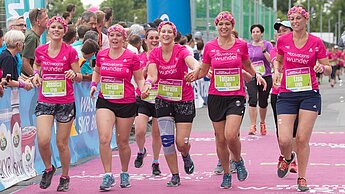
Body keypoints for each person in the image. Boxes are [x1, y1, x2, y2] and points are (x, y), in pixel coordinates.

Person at [185, 11, 266, 189]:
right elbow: (204, 70)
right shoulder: (210, 47)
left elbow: (247, 65)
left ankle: (238, 160)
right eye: (221, 24)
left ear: (232, 26)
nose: (224, 27)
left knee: (231, 135)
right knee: (220, 138)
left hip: (235, 96)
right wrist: (194, 76)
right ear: (217, 26)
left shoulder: (241, 45)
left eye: (227, 24)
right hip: (216, 96)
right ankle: (227, 173)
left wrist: (257, 75)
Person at [273, 6, 331, 192]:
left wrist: (323, 69)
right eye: (293, 19)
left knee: (302, 138)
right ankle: (287, 157)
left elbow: (328, 67)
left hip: (309, 94)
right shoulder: (283, 40)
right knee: (284, 140)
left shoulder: (316, 42)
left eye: (299, 18)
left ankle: (302, 177)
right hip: (287, 94)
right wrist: (276, 71)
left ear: (306, 20)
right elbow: (279, 60)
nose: (296, 21)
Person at [141, 21, 200, 187]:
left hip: (184, 100)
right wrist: (147, 85)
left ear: (174, 35)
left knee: (181, 142)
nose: (165, 35)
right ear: (159, 35)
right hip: (164, 100)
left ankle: (185, 155)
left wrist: (196, 69)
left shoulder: (181, 50)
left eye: (169, 32)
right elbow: (152, 75)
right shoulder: (154, 54)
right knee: (167, 140)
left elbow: (192, 63)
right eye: (163, 32)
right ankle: (175, 175)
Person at [89, 24, 145, 191]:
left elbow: (139, 79)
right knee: (104, 138)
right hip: (105, 100)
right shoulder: (101, 54)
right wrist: (94, 84)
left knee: (122, 142)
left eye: (118, 36)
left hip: (126, 102)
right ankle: (107, 175)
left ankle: (124, 172)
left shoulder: (131, 57)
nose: (114, 38)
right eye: (112, 35)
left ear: (123, 39)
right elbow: (97, 71)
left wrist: (144, 89)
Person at [32, 16, 82, 192]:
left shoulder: (70, 52)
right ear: (48, 28)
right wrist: (36, 74)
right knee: (43, 139)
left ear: (64, 31)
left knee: (61, 143)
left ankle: (65, 176)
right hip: (45, 100)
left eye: (59, 28)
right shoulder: (40, 50)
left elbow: (79, 75)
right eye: (53, 27)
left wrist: (72, 75)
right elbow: (36, 66)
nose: (56, 30)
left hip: (65, 102)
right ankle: (48, 168)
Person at [270, 20, 298, 173]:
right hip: (279, 94)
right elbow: (276, 61)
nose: (280, 33)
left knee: (296, 129)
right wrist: (276, 71)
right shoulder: (277, 49)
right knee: (282, 132)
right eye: (279, 30)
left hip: (299, 93)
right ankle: (285, 155)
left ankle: (291, 160)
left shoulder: (301, 47)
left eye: (284, 30)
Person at [134, 28, 161, 175]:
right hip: (143, 97)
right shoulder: (139, 57)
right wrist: (145, 71)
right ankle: (141, 150)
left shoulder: (164, 56)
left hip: (159, 98)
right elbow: (139, 78)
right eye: (151, 38)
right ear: (145, 40)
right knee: (140, 130)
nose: (154, 41)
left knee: (157, 133)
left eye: (157, 38)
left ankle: (155, 162)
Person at [246, 24, 273, 135]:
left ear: (262, 33)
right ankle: (253, 125)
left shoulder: (267, 44)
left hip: (265, 76)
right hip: (252, 76)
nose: (255, 34)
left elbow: (272, 60)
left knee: (263, 100)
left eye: (257, 32)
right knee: (252, 98)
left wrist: (263, 50)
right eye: (253, 32)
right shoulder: (247, 46)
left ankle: (262, 122)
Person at [21, 8, 49, 77]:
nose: (48, 21)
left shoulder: (33, 35)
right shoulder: (32, 37)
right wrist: (36, 77)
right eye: (46, 19)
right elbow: (25, 63)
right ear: (38, 22)